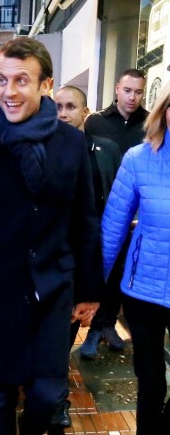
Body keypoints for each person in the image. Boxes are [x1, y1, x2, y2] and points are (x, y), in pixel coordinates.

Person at [0, 37, 103, 435]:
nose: (9, 92)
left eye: (22, 81)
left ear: (46, 84)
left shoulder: (71, 142)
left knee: (46, 394)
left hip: (52, 288)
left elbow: (84, 218)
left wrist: (90, 289)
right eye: (1, 80)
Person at [101, 79, 170, 434]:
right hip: (143, 290)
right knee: (151, 380)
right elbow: (113, 226)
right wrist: (94, 287)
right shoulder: (138, 159)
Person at [52, 85, 121, 430]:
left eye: (69, 107)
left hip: (84, 255)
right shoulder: (41, 149)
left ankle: (58, 398)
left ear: (84, 113)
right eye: (57, 107)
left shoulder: (103, 151)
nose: (62, 113)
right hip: (48, 256)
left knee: (65, 333)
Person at [82, 69, 148, 357]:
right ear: (117, 89)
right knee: (101, 264)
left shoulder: (150, 123)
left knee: (123, 268)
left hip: (137, 211)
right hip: (101, 206)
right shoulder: (95, 122)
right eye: (128, 90)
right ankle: (94, 326)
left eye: (138, 92)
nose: (132, 97)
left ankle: (108, 323)